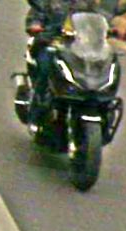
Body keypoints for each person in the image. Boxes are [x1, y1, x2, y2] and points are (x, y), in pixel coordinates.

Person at [25, 0, 98, 132]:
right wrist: (35, 26)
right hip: (50, 45)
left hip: (77, 50)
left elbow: (96, 22)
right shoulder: (48, 2)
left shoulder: (86, 4)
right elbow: (35, 16)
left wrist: (108, 29)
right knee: (46, 70)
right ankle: (36, 113)